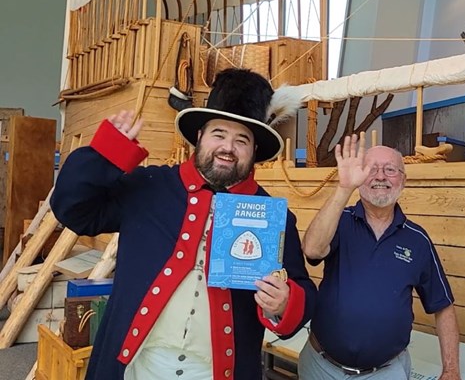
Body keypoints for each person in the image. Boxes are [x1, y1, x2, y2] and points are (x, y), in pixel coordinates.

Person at [51, 68, 316, 380]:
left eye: (241, 139)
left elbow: (302, 290)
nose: (227, 148)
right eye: (219, 134)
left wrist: (282, 303)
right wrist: (106, 155)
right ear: (200, 136)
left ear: (254, 151)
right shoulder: (148, 186)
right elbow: (74, 210)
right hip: (137, 368)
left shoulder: (274, 216)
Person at [299, 133, 461, 380]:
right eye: (371, 169)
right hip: (321, 368)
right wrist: (344, 188)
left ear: (403, 181)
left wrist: (451, 370)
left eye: (390, 170)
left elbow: (444, 307)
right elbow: (311, 249)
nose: (381, 176)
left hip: (386, 372)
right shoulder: (339, 221)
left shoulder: (417, 240)